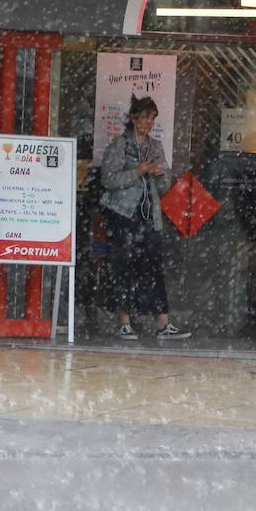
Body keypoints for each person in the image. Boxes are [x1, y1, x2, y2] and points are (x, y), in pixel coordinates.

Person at [98, 96, 191, 341]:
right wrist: (138, 171)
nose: (149, 122)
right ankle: (124, 321)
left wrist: (159, 175)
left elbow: (165, 184)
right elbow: (108, 179)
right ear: (133, 118)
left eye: (152, 118)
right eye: (145, 117)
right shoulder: (120, 145)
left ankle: (163, 322)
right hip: (123, 214)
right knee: (124, 266)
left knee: (153, 267)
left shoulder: (155, 146)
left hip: (149, 216)